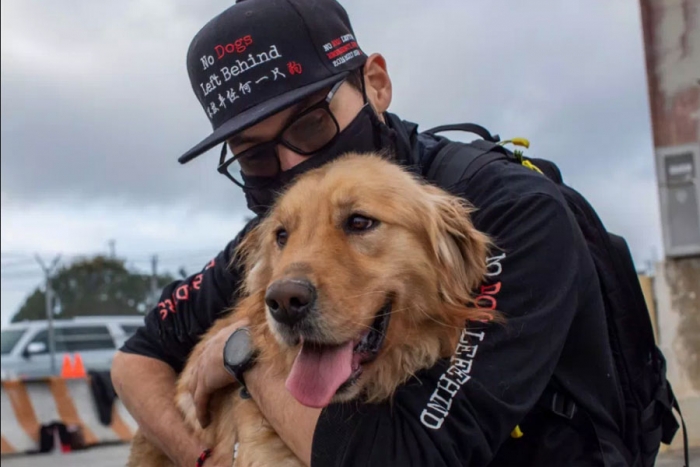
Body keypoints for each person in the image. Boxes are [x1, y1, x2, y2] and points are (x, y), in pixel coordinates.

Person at [111, 0, 633, 466]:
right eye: (255, 154)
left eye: (312, 123)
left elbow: (407, 456)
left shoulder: (512, 211)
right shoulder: (277, 231)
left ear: (375, 85)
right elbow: (136, 359)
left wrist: (242, 352)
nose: (293, 164)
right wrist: (201, 458)